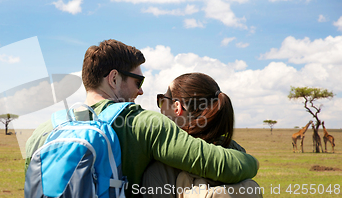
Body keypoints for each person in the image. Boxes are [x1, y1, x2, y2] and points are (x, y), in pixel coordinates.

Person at [24, 39, 259, 197]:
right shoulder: (144, 123)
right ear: (114, 79)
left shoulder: (41, 134)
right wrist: (252, 162)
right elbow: (222, 165)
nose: (141, 92)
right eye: (138, 82)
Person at [144, 72, 262, 198]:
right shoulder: (235, 153)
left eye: (162, 100)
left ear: (176, 107)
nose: (160, 108)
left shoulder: (160, 168)